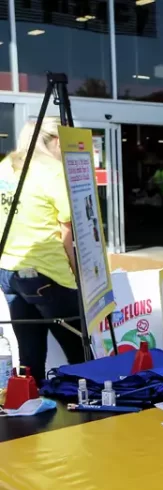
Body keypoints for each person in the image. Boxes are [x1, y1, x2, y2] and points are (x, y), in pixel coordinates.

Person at [0, 117, 87, 384]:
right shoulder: (53, 171)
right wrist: (80, 275)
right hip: (48, 272)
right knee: (79, 351)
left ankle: (31, 403)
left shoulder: (4, 167)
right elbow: (67, 231)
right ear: (57, 141)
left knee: (29, 355)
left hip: (9, 271)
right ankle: (87, 406)